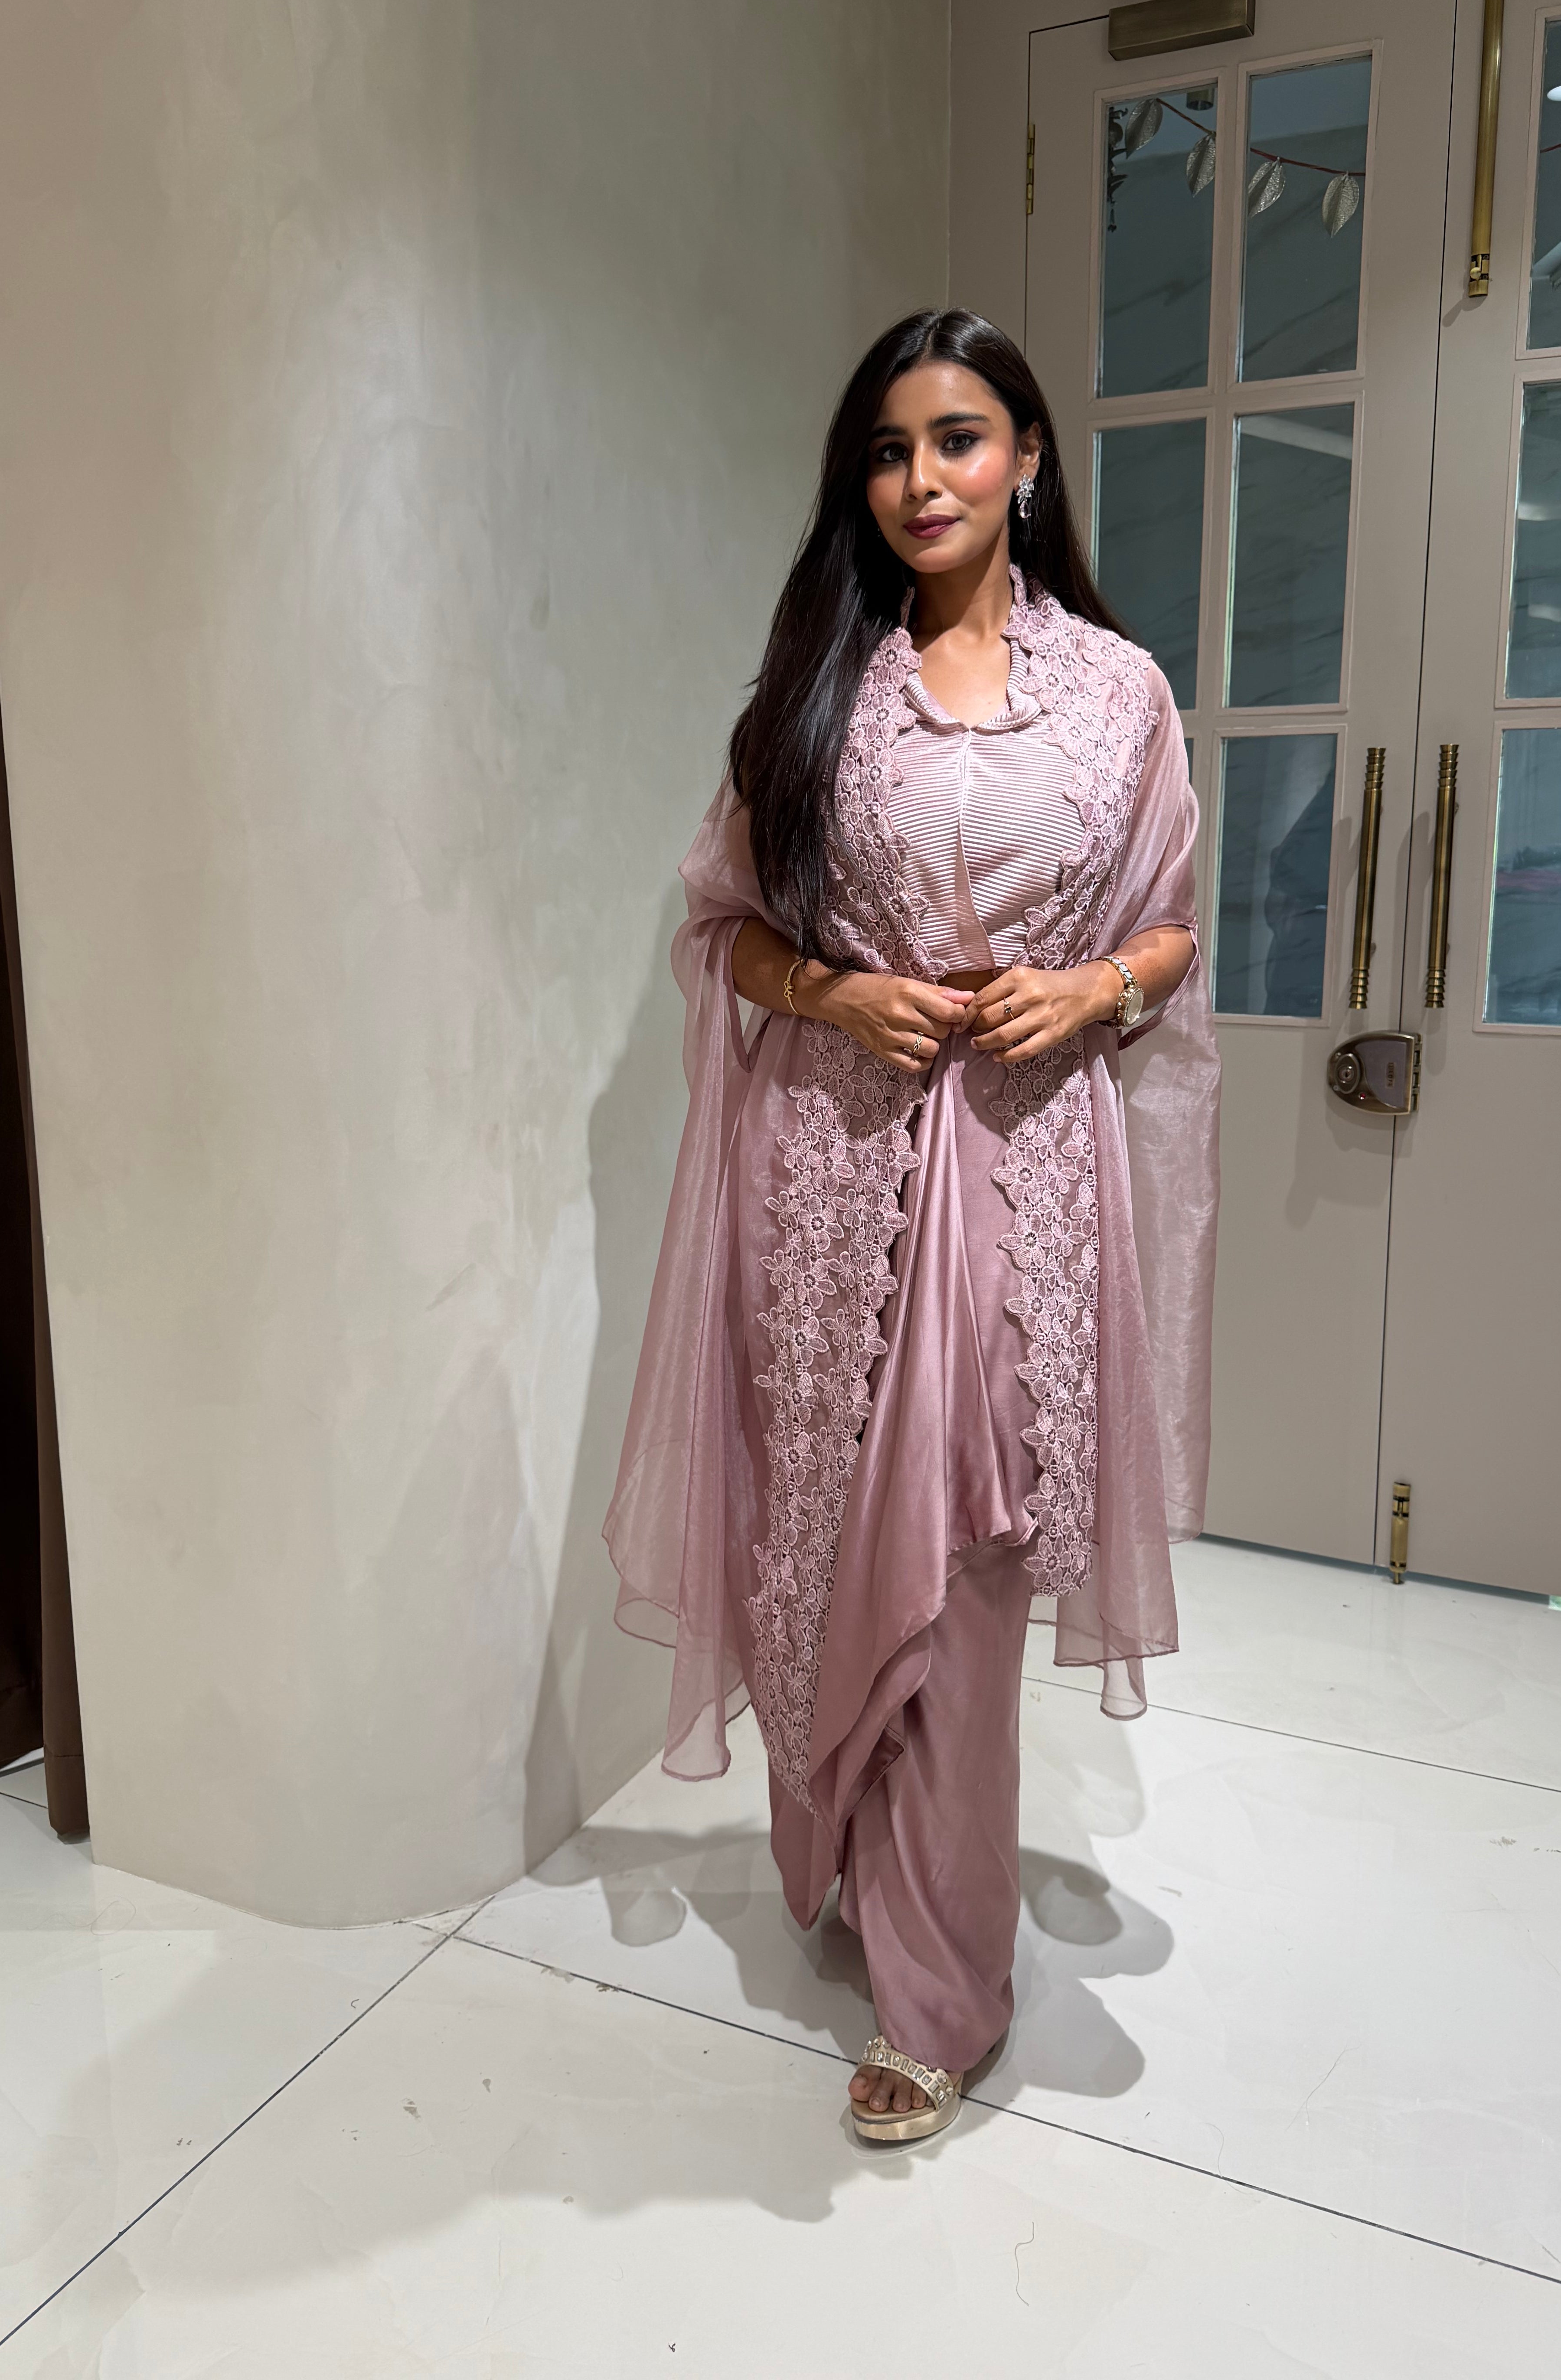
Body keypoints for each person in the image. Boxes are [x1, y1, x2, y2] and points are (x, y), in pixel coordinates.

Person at [604, 307, 1219, 2144]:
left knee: (971, 1561)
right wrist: (835, 993)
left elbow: (1171, 924)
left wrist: (1095, 986)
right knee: (821, 1538)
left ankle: (941, 1997)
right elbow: (723, 928)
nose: (921, 479)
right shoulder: (823, 690)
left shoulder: (1116, 693)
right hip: (835, 1176)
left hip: (1028, 1176)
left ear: (1026, 459)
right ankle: (856, 1871)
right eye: (888, 451)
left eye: (957, 439)